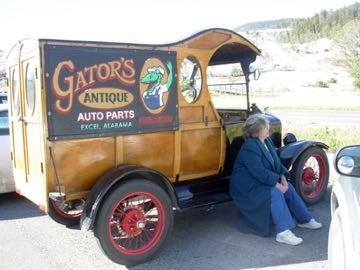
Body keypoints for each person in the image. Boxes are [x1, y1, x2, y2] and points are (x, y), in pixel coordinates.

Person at [229, 113, 322, 245]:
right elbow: (259, 172)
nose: (269, 129)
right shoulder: (249, 147)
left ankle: (304, 219)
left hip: (259, 181)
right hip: (248, 188)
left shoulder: (266, 141)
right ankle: (283, 232)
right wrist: (277, 185)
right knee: (274, 192)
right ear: (258, 131)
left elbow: (276, 162)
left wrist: (283, 178)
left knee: (288, 187)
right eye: (266, 127)